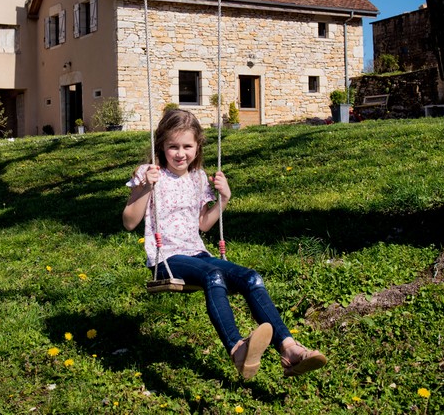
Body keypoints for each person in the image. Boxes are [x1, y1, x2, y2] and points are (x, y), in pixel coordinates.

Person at [122, 108, 326, 380]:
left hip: (197, 253)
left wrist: (224, 199)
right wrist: (144, 187)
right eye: (173, 146)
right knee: (213, 275)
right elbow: (129, 222)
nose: (180, 153)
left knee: (252, 277)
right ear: (161, 145)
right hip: (166, 260)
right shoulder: (149, 173)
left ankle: (289, 348)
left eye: (187, 146)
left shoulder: (197, 178)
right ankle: (237, 350)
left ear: (198, 146)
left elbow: (203, 224)